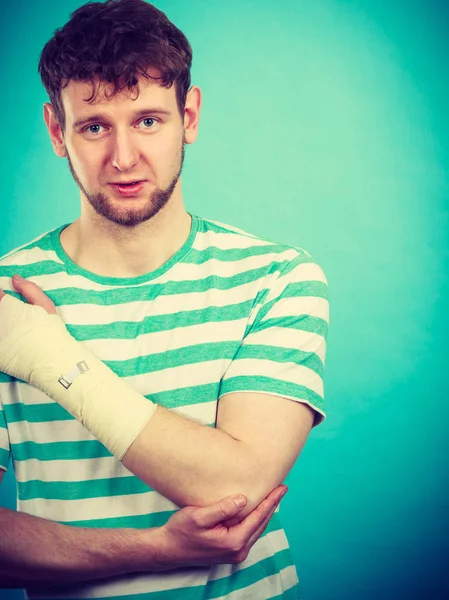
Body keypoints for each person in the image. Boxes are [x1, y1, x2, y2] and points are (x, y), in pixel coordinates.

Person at [0, 0, 329, 598]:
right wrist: (153, 549)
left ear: (190, 115)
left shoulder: (275, 278)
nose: (123, 158)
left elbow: (237, 487)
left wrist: (50, 359)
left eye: (148, 120)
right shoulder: (4, 295)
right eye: (94, 126)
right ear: (56, 130)